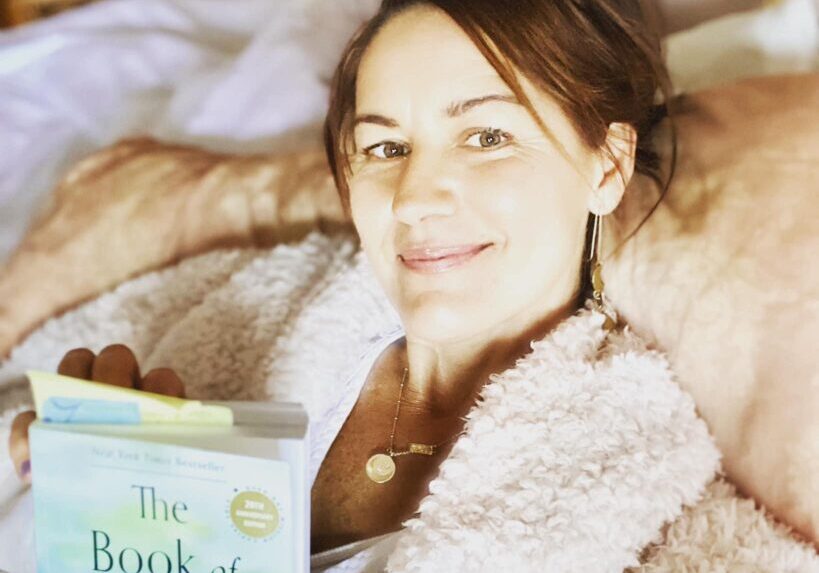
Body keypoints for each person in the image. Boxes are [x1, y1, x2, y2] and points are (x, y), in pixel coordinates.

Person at [7, 0, 817, 571]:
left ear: (605, 165)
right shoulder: (235, 302)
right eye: (386, 148)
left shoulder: (656, 492)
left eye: (486, 135)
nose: (417, 196)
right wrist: (67, 479)